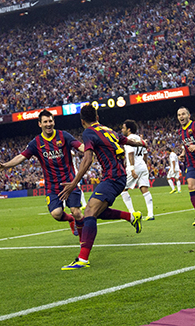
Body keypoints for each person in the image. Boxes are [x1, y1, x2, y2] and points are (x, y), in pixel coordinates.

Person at [58, 105, 146, 270]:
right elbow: (125, 140)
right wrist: (141, 143)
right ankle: (131, 217)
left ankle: (82, 259)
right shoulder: (108, 130)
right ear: (97, 117)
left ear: (82, 121)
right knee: (96, 211)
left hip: (113, 177)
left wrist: (74, 183)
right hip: (116, 176)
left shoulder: (88, 132)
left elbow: (87, 159)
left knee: (89, 212)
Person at [0, 109, 84, 236]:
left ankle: (84, 241)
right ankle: (71, 219)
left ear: (54, 122)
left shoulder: (64, 136)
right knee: (56, 214)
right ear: (40, 124)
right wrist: (6, 165)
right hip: (52, 186)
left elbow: (80, 146)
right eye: (45, 122)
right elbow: (22, 156)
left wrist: (91, 149)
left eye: (50, 121)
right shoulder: (36, 143)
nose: (48, 124)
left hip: (69, 182)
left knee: (76, 211)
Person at [120, 119, 155, 221]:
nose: (122, 130)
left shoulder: (128, 139)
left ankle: (132, 213)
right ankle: (150, 214)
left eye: (123, 128)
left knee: (123, 189)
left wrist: (132, 169)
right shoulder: (140, 139)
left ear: (129, 129)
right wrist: (144, 165)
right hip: (142, 166)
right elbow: (145, 154)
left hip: (134, 167)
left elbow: (130, 153)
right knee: (145, 189)